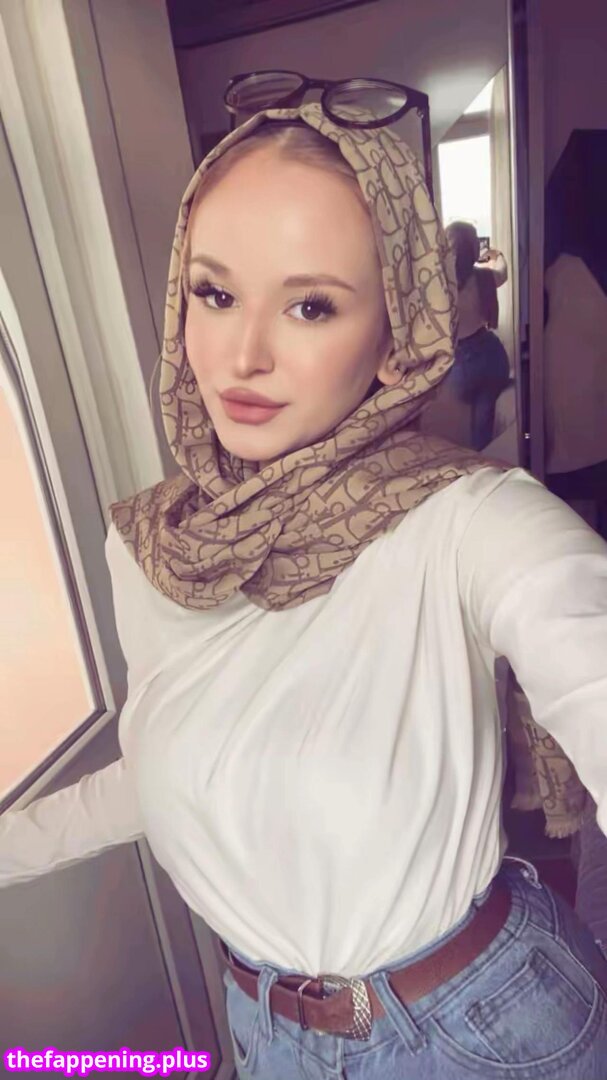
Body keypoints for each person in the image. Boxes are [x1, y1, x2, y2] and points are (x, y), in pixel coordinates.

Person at [1, 103, 607, 1079]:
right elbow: (171, 767)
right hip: (264, 1032)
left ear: (395, 337)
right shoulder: (158, 546)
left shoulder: (469, 521)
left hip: (482, 1031)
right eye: (214, 293)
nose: (241, 355)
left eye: (311, 306)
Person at [445, 220, 511, 450]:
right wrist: (498, 254)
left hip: (461, 364)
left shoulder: (440, 283)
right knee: (483, 426)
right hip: (492, 356)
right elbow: (503, 272)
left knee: (457, 428)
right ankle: (484, 457)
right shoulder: (484, 277)